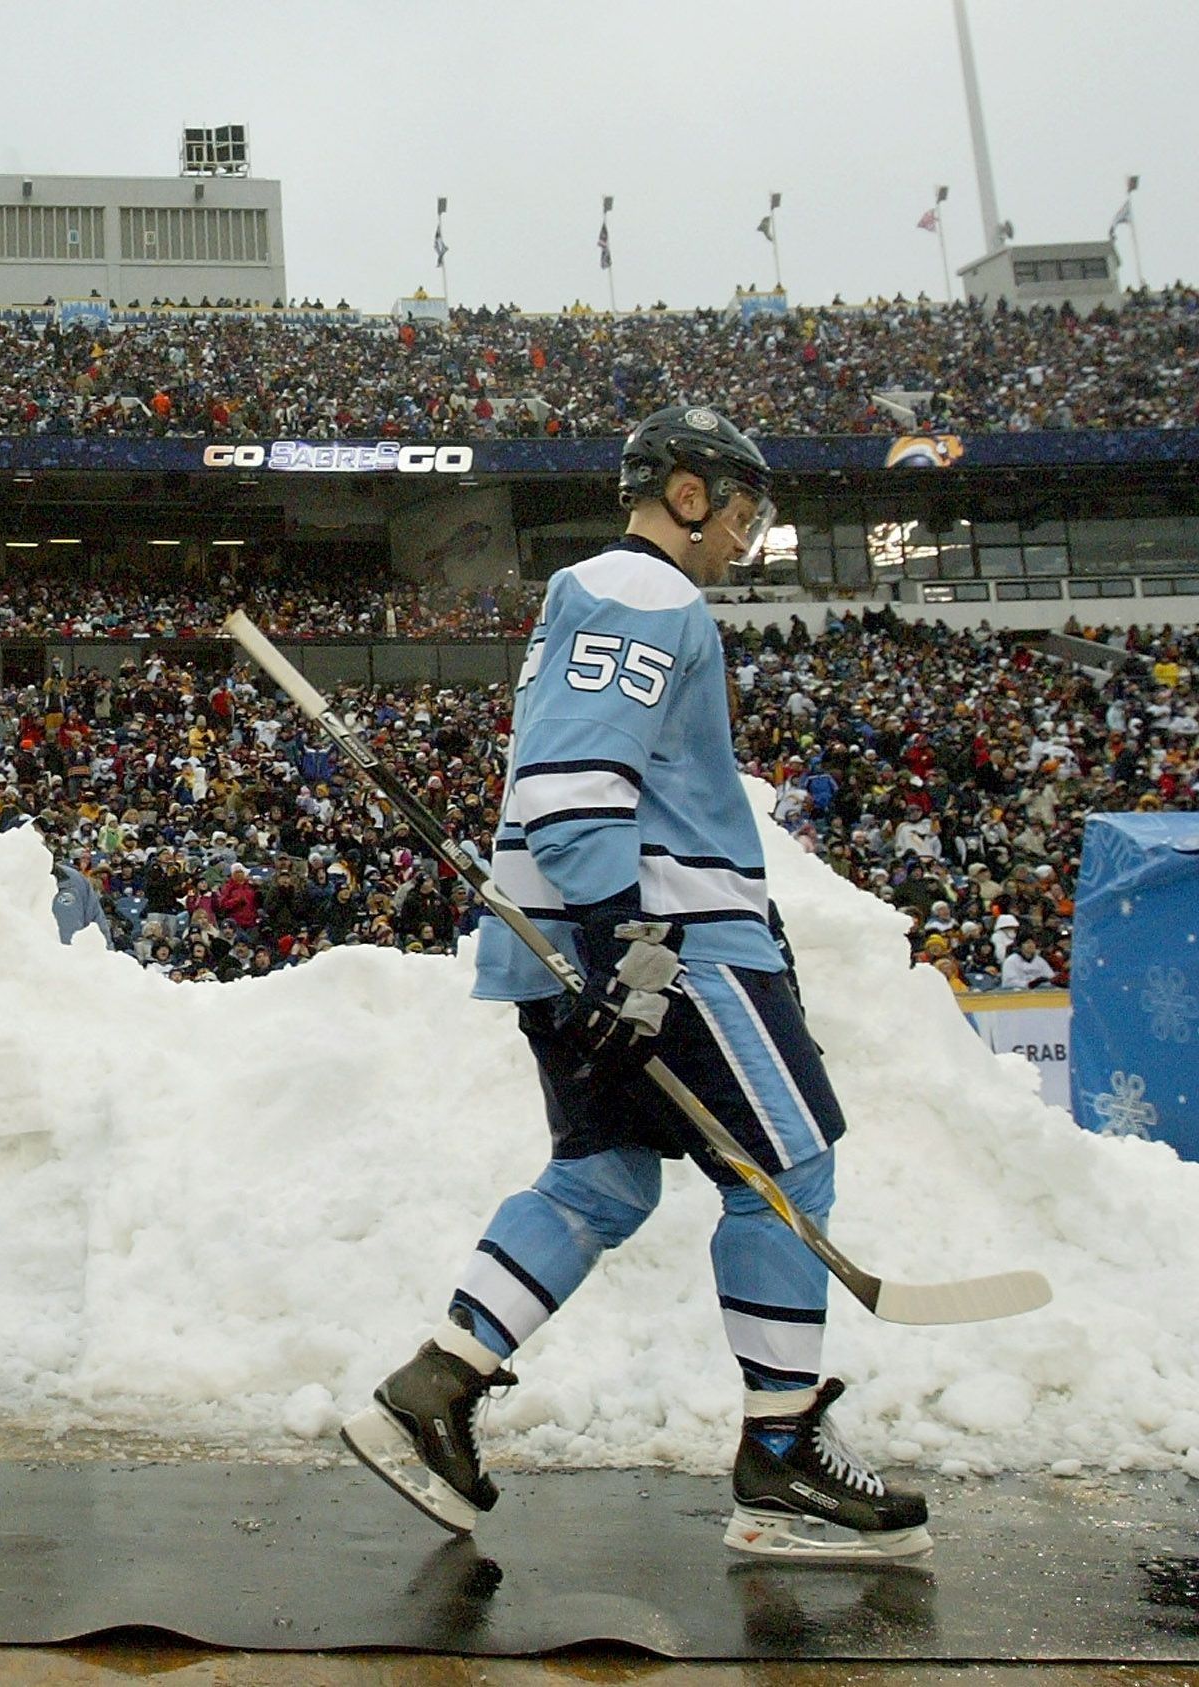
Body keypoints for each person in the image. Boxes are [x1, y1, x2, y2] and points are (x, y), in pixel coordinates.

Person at [343, 406, 930, 1561]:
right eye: (743, 511)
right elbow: (572, 786)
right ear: (692, 493)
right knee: (787, 1163)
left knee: (602, 1181)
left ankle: (436, 1386)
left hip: (588, 946)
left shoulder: (611, 595)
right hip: (663, 948)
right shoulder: (647, 590)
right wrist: (633, 952)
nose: (742, 538)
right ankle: (778, 1458)